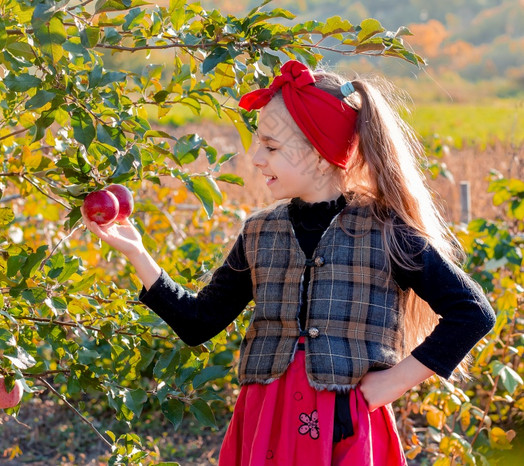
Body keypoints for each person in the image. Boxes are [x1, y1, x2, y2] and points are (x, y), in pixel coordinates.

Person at [80, 60, 496, 465]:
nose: (257, 158)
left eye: (272, 146)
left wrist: (394, 382)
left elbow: (472, 312)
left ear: (320, 152)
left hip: (342, 425)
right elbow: (198, 321)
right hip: (267, 422)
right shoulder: (259, 233)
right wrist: (137, 253)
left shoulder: (388, 233)